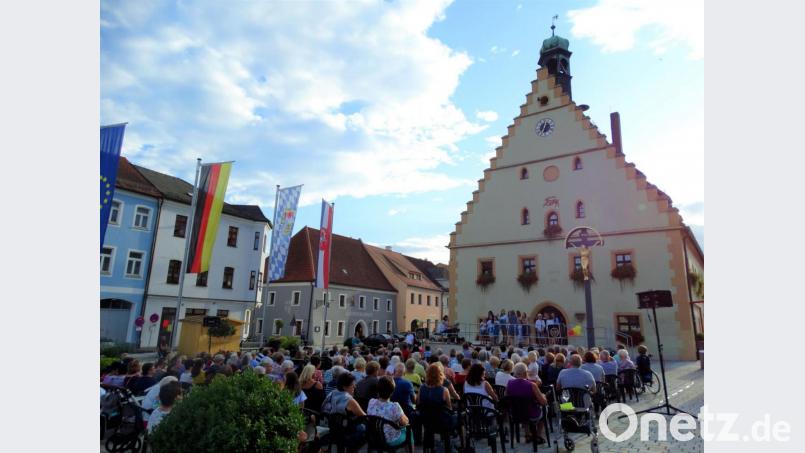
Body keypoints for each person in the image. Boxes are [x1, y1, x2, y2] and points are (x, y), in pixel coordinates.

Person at [506, 362, 548, 444]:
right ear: (525, 373)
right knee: (545, 409)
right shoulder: (532, 385)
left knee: (523, 408)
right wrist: (544, 396)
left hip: (516, 413)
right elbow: (543, 402)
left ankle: (528, 435)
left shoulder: (509, 383)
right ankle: (538, 436)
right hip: (531, 414)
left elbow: (506, 397)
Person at [367, 376, 410, 447]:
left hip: (373, 438)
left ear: (378, 390)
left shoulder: (371, 402)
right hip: (389, 440)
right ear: (392, 392)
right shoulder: (394, 406)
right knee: (409, 431)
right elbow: (405, 422)